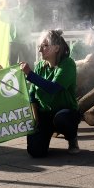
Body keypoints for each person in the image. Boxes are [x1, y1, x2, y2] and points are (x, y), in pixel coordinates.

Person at [20, 29, 80, 157]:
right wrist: (35, 118)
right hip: (44, 113)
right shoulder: (40, 66)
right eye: (39, 46)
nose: (40, 50)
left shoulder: (67, 64)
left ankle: (72, 138)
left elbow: (53, 88)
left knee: (62, 118)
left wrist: (30, 74)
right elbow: (32, 94)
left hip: (65, 111)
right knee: (35, 152)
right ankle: (47, 132)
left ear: (57, 48)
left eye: (45, 46)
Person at [3, 0, 35, 67]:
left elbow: (23, 20)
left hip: (25, 41)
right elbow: (2, 18)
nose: (20, 0)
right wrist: (4, 7)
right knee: (12, 64)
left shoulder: (29, 9)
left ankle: (30, 78)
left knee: (29, 63)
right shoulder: (13, 10)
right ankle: (13, 78)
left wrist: (12, 16)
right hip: (13, 40)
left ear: (26, 0)